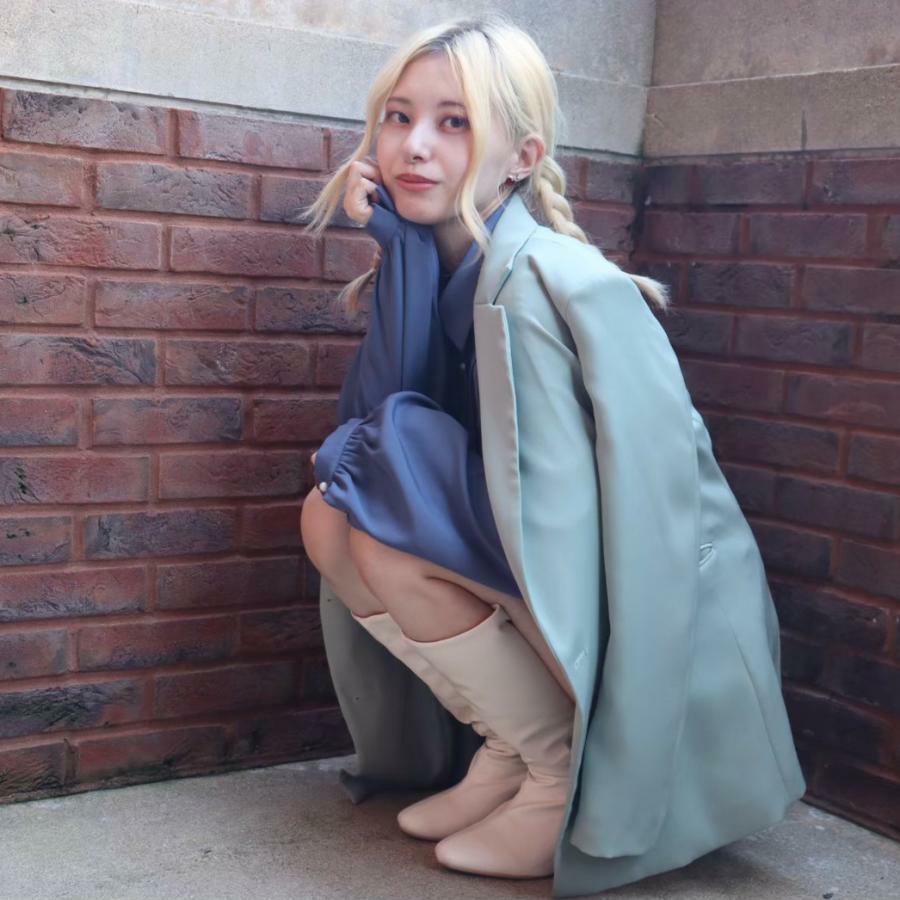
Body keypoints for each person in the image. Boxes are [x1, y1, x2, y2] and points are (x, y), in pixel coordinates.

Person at [300, 13, 806, 898]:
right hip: (527, 550)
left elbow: (651, 509)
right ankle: (511, 746)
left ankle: (560, 767)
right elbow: (375, 430)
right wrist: (398, 246)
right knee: (333, 513)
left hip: (612, 578)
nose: (415, 145)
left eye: (456, 122)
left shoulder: (560, 284)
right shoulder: (428, 260)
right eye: (398, 117)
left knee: (381, 530)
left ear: (522, 157)